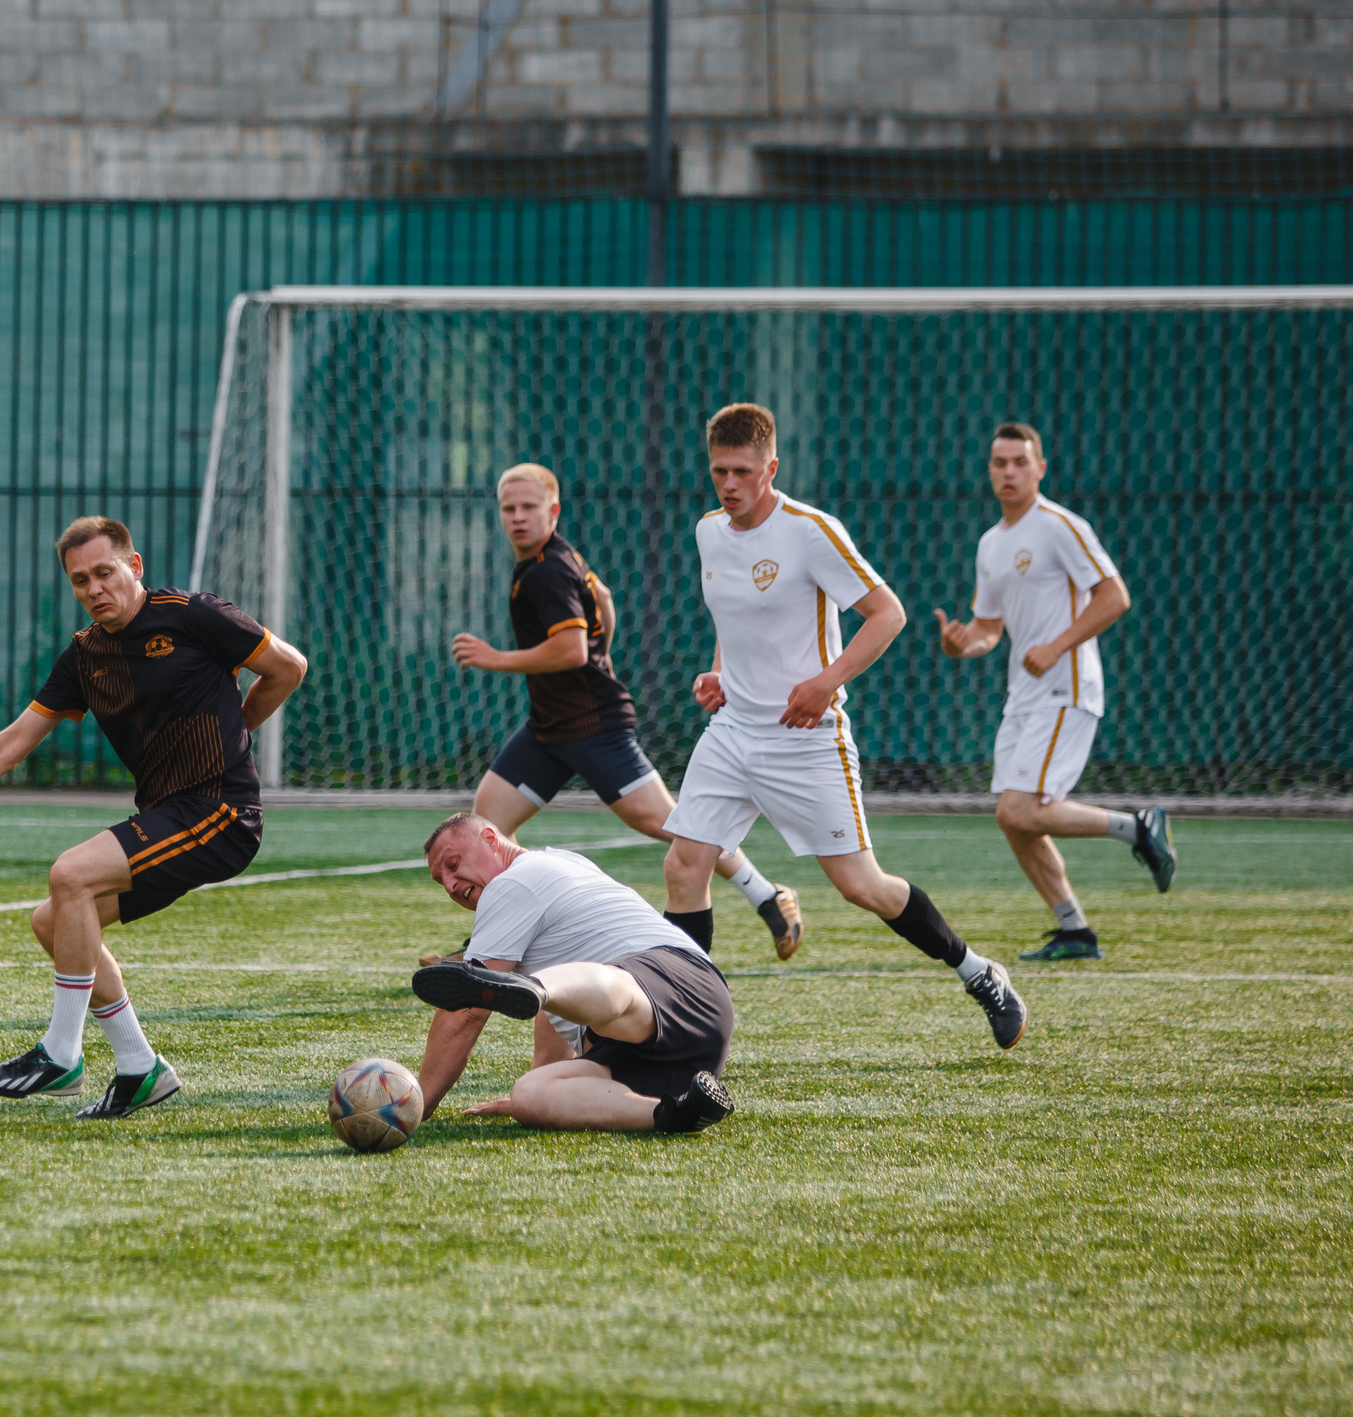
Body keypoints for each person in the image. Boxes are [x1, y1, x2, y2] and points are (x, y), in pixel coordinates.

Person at [0, 515, 308, 1119]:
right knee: (55, 921)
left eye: (104, 572)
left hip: (220, 811)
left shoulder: (194, 615)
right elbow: (13, 742)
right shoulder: (84, 655)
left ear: (134, 566)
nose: (94, 588)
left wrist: (238, 730)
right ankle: (140, 1067)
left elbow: (289, 667)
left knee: (70, 874)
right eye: (80, 580)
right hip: (169, 815)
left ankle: (60, 1054)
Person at [663, 403, 1029, 1050]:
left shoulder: (810, 532)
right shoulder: (708, 531)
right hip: (733, 731)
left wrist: (824, 683)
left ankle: (978, 971)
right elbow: (733, 618)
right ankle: (683, 1025)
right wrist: (719, 671)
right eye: (719, 470)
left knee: (863, 887)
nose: (729, 484)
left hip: (805, 739)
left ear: (771, 468)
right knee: (685, 864)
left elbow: (888, 614)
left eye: (743, 471)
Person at [448, 461, 802, 961]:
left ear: (553, 510)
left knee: (675, 826)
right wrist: (604, 651)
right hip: (549, 728)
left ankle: (767, 895)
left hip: (593, 728)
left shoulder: (547, 570)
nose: (518, 517)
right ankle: (492, 943)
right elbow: (604, 599)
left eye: (529, 507)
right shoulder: (552, 557)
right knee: (488, 823)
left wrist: (496, 658)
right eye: (509, 508)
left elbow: (571, 650)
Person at [934, 423, 1175, 961]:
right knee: (1013, 817)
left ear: (1040, 468)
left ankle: (1138, 829)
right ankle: (1075, 931)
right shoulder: (991, 543)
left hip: (1066, 687)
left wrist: (1057, 645)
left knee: (1021, 810)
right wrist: (961, 645)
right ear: (989, 470)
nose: (1009, 472)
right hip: (1024, 693)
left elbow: (1114, 596)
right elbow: (988, 629)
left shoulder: (1060, 526)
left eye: (1020, 462)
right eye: (1000, 462)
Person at [408, 813, 735, 1135]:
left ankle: (538, 987)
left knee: (609, 989)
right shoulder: (560, 863)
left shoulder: (512, 882)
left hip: (674, 982)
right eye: (441, 881)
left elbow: (467, 1011)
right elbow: (560, 1012)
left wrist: (416, 1103)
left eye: (453, 865)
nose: (450, 884)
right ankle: (677, 1112)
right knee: (529, 1094)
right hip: (671, 1061)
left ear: (491, 839)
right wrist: (547, 1079)